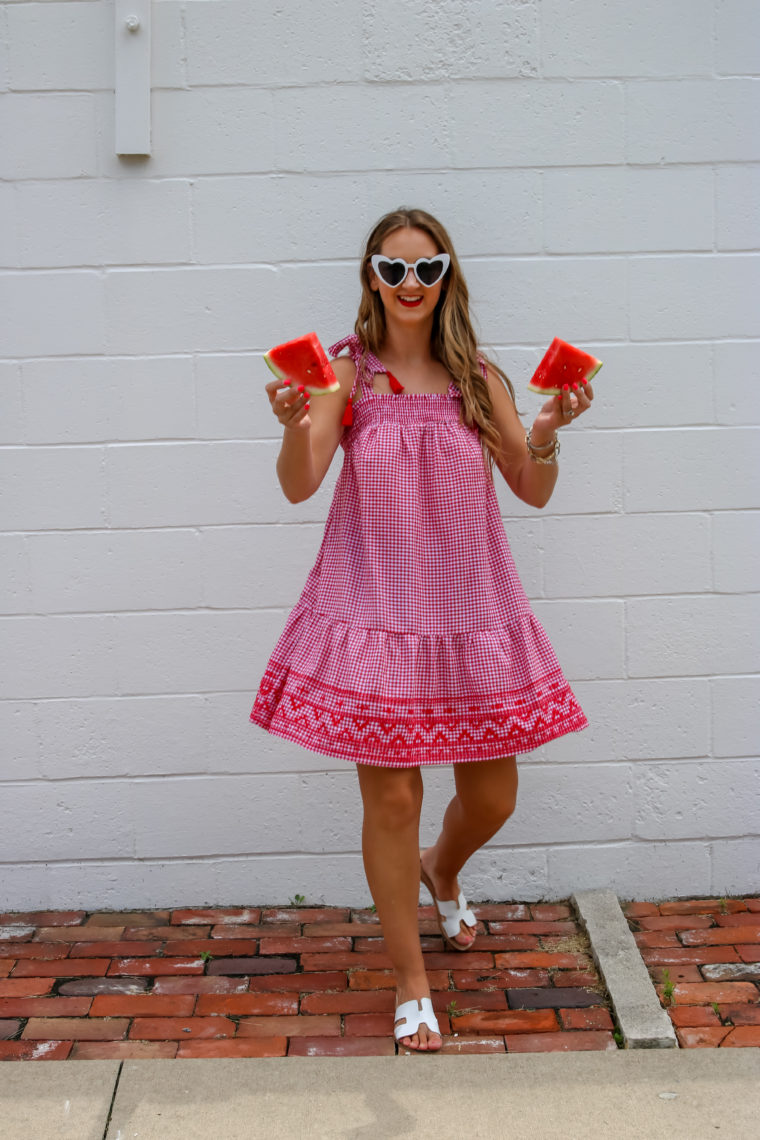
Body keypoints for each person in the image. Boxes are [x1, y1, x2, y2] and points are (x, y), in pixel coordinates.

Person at [251, 208, 594, 1053]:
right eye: (393, 269)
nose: (410, 285)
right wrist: (297, 425)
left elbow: (531, 486)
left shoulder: (482, 379)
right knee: (394, 796)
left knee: (492, 796)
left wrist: (545, 437)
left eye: (427, 269)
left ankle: (444, 869)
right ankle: (411, 983)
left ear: (449, 278)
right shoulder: (343, 377)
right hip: (374, 610)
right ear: (370, 277)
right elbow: (300, 486)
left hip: (471, 612)